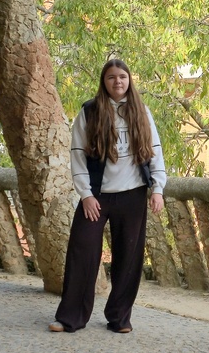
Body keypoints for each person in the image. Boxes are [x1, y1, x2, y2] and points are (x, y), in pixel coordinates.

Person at [49, 58, 166, 334]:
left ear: (129, 80)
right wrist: (86, 195)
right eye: (112, 77)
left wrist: (158, 189)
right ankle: (70, 318)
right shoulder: (89, 112)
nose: (118, 82)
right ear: (104, 81)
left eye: (122, 77)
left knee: (129, 258)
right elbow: (77, 154)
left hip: (133, 195)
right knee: (83, 251)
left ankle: (119, 318)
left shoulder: (141, 111)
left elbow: (155, 151)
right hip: (97, 197)